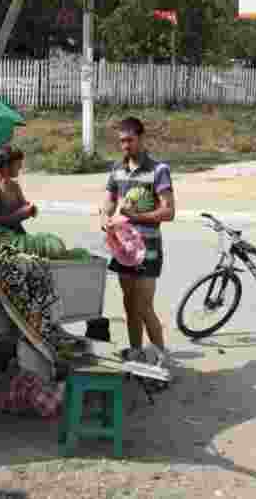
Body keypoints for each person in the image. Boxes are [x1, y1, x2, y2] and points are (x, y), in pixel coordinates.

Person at [99, 117, 175, 369]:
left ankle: (161, 359)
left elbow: (169, 211)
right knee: (129, 303)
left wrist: (136, 217)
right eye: (121, 141)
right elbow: (109, 200)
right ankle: (136, 352)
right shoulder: (117, 169)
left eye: (129, 140)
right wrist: (104, 217)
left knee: (143, 306)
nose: (125, 146)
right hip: (122, 248)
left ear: (142, 138)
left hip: (148, 250)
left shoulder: (159, 170)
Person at [0, 144, 37, 235]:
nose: (20, 167)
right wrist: (18, 215)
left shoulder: (15, 186)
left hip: (15, 234)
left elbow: (23, 207)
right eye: (18, 163)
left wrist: (31, 210)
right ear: (6, 164)